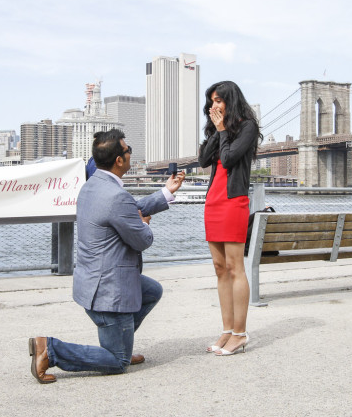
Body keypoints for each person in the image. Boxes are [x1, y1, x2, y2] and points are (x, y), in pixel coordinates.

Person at [29, 129, 185, 383]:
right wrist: (144, 223)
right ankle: (50, 349)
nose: (130, 153)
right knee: (117, 362)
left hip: (92, 282)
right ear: (119, 161)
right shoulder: (116, 196)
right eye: (128, 150)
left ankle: (121, 341)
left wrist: (166, 192)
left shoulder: (91, 187)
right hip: (110, 292)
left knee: (151, 291)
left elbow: (126, 210)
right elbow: (143, 239)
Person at [198, 81, 261, 356]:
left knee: (235, 267)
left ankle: (240, 332)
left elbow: (230, 157)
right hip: (213, 201)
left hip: (233, 201)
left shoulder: (248, 126)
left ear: (230, 101)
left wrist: (222, 130)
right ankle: (226, 330)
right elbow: (202, 160)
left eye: (219, 100)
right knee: (219, 267)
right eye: (212, 101)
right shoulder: (217, 128)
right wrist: (216, 130)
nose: (214, 106)